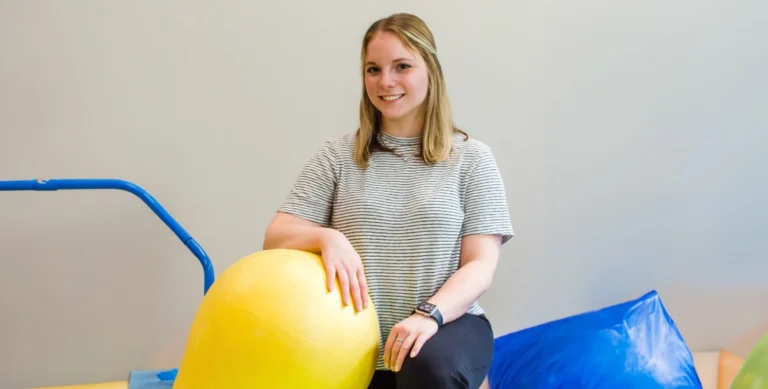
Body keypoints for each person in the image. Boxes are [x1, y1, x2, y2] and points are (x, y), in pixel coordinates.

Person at [263, 12, 514, 389]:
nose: (386, 82)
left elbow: (480, 266)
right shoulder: (337, 157)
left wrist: (428, 316)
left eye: (402, 66)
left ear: (430, 69)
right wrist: (327, 238)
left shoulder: (472, 159)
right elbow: (276, 236)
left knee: (427, 367)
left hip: (444, 328)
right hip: (352, 340)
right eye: (373, 69)